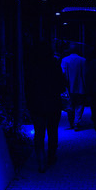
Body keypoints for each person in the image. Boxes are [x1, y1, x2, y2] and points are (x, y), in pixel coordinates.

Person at [24, 39, 66, 172]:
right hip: (53, 103)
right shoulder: (54, 64)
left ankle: (41, 161)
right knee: (53, 131)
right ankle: (51, 156)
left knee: (39, 133)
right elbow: (62, 86)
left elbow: (27, 87)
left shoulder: (31, 66)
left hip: (36, 104)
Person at [61, 43, 86, 131]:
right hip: (80, 87)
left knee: (70, 105)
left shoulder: (65, 60)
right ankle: (77, 122)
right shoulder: (83, 60)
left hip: (69, 87)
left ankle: (71, 122)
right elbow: (85, 75)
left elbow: (63, 74)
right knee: (79, 105)